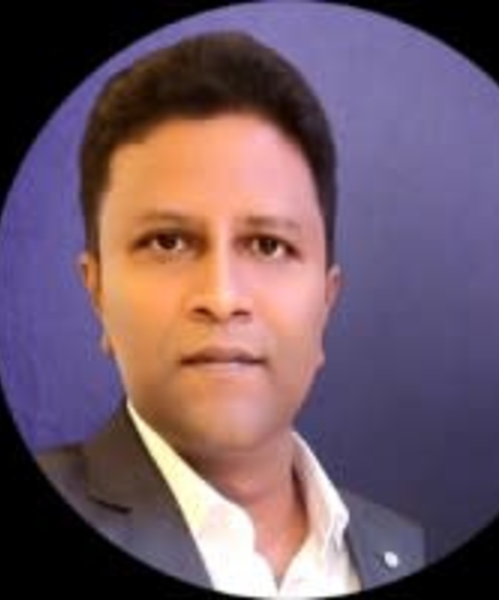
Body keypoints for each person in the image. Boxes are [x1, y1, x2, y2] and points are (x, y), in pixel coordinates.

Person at [36, 30, 424, 597]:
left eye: (269, 245)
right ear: (98, 292)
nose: (221, 296)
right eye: (167, 242)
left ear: (325, 302)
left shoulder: (400, 548)